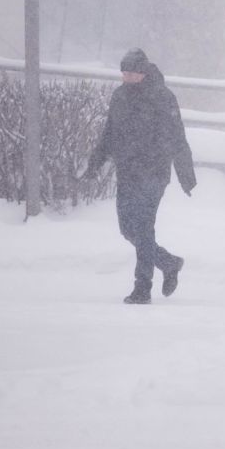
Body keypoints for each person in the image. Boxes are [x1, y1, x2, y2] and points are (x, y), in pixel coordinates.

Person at [85, 48, 196, 304]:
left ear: (143, 72)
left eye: (131, 73)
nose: (126, 77)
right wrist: (95, 163)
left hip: (154, 172)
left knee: (144, 229)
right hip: (128, 172)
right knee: (127, 229)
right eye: (124, 73)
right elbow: (109, 134)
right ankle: (169, 263)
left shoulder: (162, 97)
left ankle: (142, 288)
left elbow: (177, 137)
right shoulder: (120, 97)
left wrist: (186, 176)